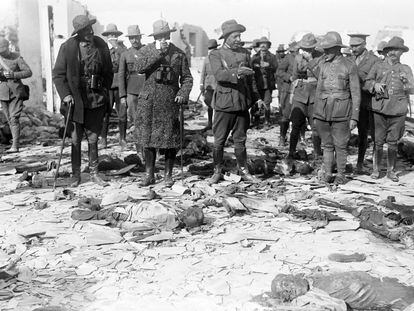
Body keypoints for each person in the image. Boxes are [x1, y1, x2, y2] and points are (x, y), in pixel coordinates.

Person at [53, 15, 113, 187]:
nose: (90, 32)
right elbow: (58, 74)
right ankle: (76, 175)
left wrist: (104, 89)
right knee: (75, 138)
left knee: (93, 137)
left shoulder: (101, 44)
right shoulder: (68, 47)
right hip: (75, 100)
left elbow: (109, 72)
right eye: (86, 30)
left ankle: (94, 173)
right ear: (78, 33)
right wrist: (65, 95)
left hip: (96, 98)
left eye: (91, 28)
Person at [134, 20, 193, 187]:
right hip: (149, 102)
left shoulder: (178, 53)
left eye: (166, 36)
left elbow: (187, 78)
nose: (163, 39)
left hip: (169, 102)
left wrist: (183, 94)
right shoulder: (146, 50)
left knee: (169, 140)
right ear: (155, 37)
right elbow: (139, 68)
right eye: (160, 37)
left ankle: (168, 175)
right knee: (148, 139)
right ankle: (149, 175)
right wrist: (158, 53)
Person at [209, 19, 263, 184]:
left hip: (242, 103)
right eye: (235, 36)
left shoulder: (245, 54)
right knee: (219, 140)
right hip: (224, 104)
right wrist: (237, 72)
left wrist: (257, 99)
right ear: (226, 37)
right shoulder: (216, 54)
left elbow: (251, 81)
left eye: (239, 36)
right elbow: (219, 75)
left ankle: (243, 169)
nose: (239, 39)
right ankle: (217, 170)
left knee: (241, 140)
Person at [314, 31, 361, 185]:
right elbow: (319, 90)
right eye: (324, 49)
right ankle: (328, 173)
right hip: (323, 112)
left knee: (340, 145)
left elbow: (355, 92)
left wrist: (354, 117)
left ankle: (341, 174)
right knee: (327, 145)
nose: (325, 52)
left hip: (342, 113)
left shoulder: (349, 65)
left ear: (337, 48)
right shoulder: (322, 65)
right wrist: (316, 115)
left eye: (328, 49)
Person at [364, 36, 414, 182]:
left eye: (396, 50)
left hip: (398, 110)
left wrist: (407, 83)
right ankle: (376, 169)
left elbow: (412, 89)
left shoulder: (406, 69)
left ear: (401, 53)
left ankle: (391, 171)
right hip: (379, 109)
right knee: (378, 142)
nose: (393, 53)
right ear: (386, 51)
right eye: (390, 50)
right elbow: (366, 83)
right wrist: (375, 85)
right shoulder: (378, 66)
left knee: (393, 142)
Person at [348, 33, 379, 174]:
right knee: (342, 134)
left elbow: (375, 82)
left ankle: (361, 164)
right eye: (351, 46)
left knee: (363, 135)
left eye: (356, 46)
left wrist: (361, 85)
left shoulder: (374, 60)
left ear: (364, 44)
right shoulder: (347, 60)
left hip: (366, 104)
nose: (353, 49)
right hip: (348, 103)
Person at [288, 33, 323, 159]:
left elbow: (321, 75)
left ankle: (317, 153)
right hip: (300, 94)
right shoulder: (297, 58)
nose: (306, 51)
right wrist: (292, 94)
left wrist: (310, 60)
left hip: (315, 95)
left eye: (309, 48)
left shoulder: (320, 57)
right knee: (296, 124)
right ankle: (291, 152)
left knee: (315, 126)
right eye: (305, 48)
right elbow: (294, 76)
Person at [0, 38, 32, 153]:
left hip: (16, 92)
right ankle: (13, 141)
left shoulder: (17, 57)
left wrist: (14, 74)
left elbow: (28, 72)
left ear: (8, 47)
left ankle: (15, 146)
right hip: (3, 93)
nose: (2, 53)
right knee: (9, 119)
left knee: (14, 118)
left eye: (3, 50)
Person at [101, 24, 127, 149]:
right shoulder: (103, 49)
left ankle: (122, 138)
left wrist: (116, 47)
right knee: (105, 112)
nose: (112, 37)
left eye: (114, 35)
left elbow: (126, 58)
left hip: (120, 84)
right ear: (106, 37)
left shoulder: (122, 48)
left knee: (122, 113)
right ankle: (104, 138)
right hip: (107, 84)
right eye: (110, 35)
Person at [118, 25, 145, 131]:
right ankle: (139, 144)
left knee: (146, 118)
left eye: (136, 37)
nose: (134, 40)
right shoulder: (125, 54)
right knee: (135, 118)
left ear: (140, 37)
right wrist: (122, 95)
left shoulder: (147, 51)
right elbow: (121, 75)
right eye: (132, 38)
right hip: (131, 90)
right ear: (129, 39)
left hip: (146, 88)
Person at [251, 36, 278, 126]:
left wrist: (269, 65)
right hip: (257, 84)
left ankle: (267, 120)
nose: (263, 46)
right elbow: (250, 69)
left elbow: (276, 68)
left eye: (265, 44)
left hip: (267, 84)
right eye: (261, 44)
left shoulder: (272, 57)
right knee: (256, 102)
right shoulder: (254, 57)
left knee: (267, 102)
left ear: (268, 46)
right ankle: (256, 119)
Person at [275, 41, 297, 146]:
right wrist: (289, 77)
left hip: (301, 91)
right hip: (288, 91)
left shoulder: (305, 58)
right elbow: (279, 72)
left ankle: (300, 139)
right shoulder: (288, 58)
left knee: (300, 116)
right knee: (286, 116)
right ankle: (282, 137)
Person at [200, 39, 219, 130]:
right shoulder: (206, 58)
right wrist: (201, 84)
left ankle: (217, 125)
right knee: (209, 104)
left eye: (214, 49)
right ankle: (210, 123)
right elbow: (203, 72)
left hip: (218, 85)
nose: (212, 51)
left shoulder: (220, 58)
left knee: (218, 105)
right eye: (210, 49)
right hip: (208, 85)